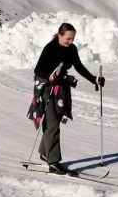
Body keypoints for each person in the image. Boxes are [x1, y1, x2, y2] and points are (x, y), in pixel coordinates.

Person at [32, 23, 105, 172]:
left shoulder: (71, 49)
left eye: (73, 39)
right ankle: (53, 162)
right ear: (59, 35)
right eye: (68, 38)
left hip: (61, 88)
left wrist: (94, 79)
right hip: (46, 88)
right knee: (52, 123)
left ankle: (45, 153)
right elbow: (38, 69)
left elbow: (78, 66)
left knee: (56, 120)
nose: (70, 42)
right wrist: (49, 77)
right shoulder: (50, 48)